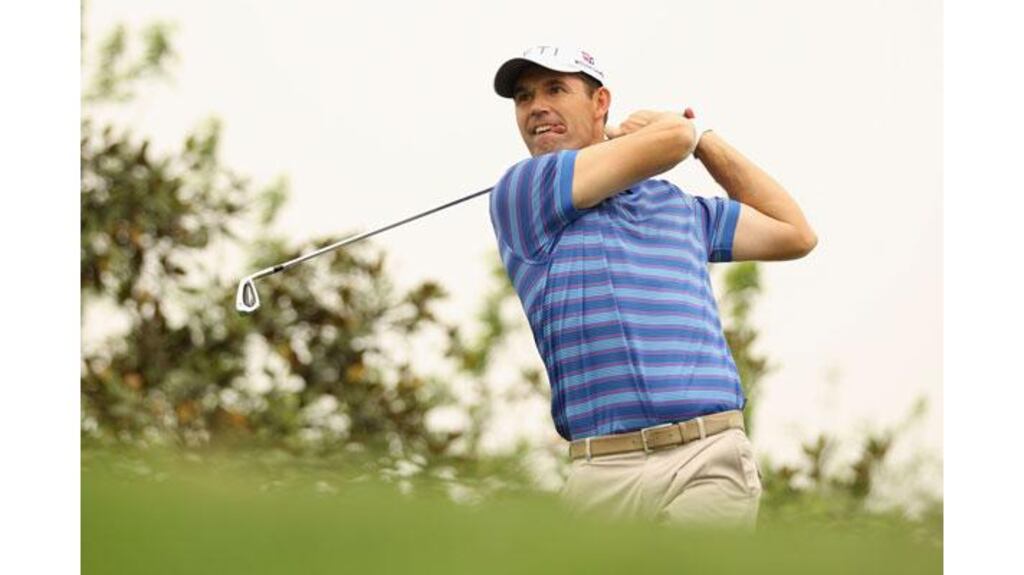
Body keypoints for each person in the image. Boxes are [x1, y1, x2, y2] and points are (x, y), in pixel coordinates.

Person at [487, 46, 817, 528]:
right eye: (523, 96)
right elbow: (670, 138)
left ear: (600, 103)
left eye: (555, 89)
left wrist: (704, 140)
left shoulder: (678, 207)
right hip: (600, 469)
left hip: (706, 457)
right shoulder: (525, 191)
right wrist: (678, 132)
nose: (536, 105)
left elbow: (794, 233)